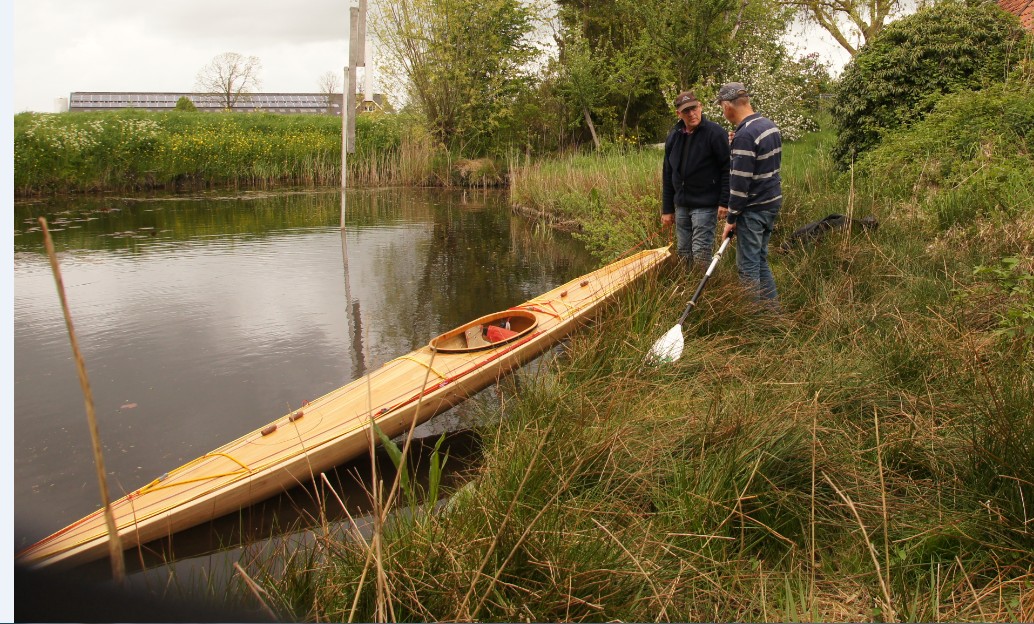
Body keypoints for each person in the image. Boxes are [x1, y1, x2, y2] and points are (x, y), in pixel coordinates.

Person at [716, 82, 783, 307]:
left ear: (727, 106)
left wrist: (731, 219)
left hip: (753, 209)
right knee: (760, 261)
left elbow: (739, 184)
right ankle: (773, 314)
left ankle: (752, 321)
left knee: (747, 267)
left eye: (721, 107)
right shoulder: (769, 126)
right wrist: (736, 146)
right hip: (771, 204)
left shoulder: (746, 135)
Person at [661, 90, 730, 266]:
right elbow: (668, 173)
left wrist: (724, 201)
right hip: (681, 205)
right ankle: (688, 287)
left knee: (701, 251)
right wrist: (667, 209)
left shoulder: (715, 133)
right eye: (686, 111)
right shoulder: (674, 136)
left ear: (700, 106)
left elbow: (727, 168)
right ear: (679, 114)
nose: (692, 114)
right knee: (683, 251)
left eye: (694, 108)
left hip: (705, 204)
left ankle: (705, 291)